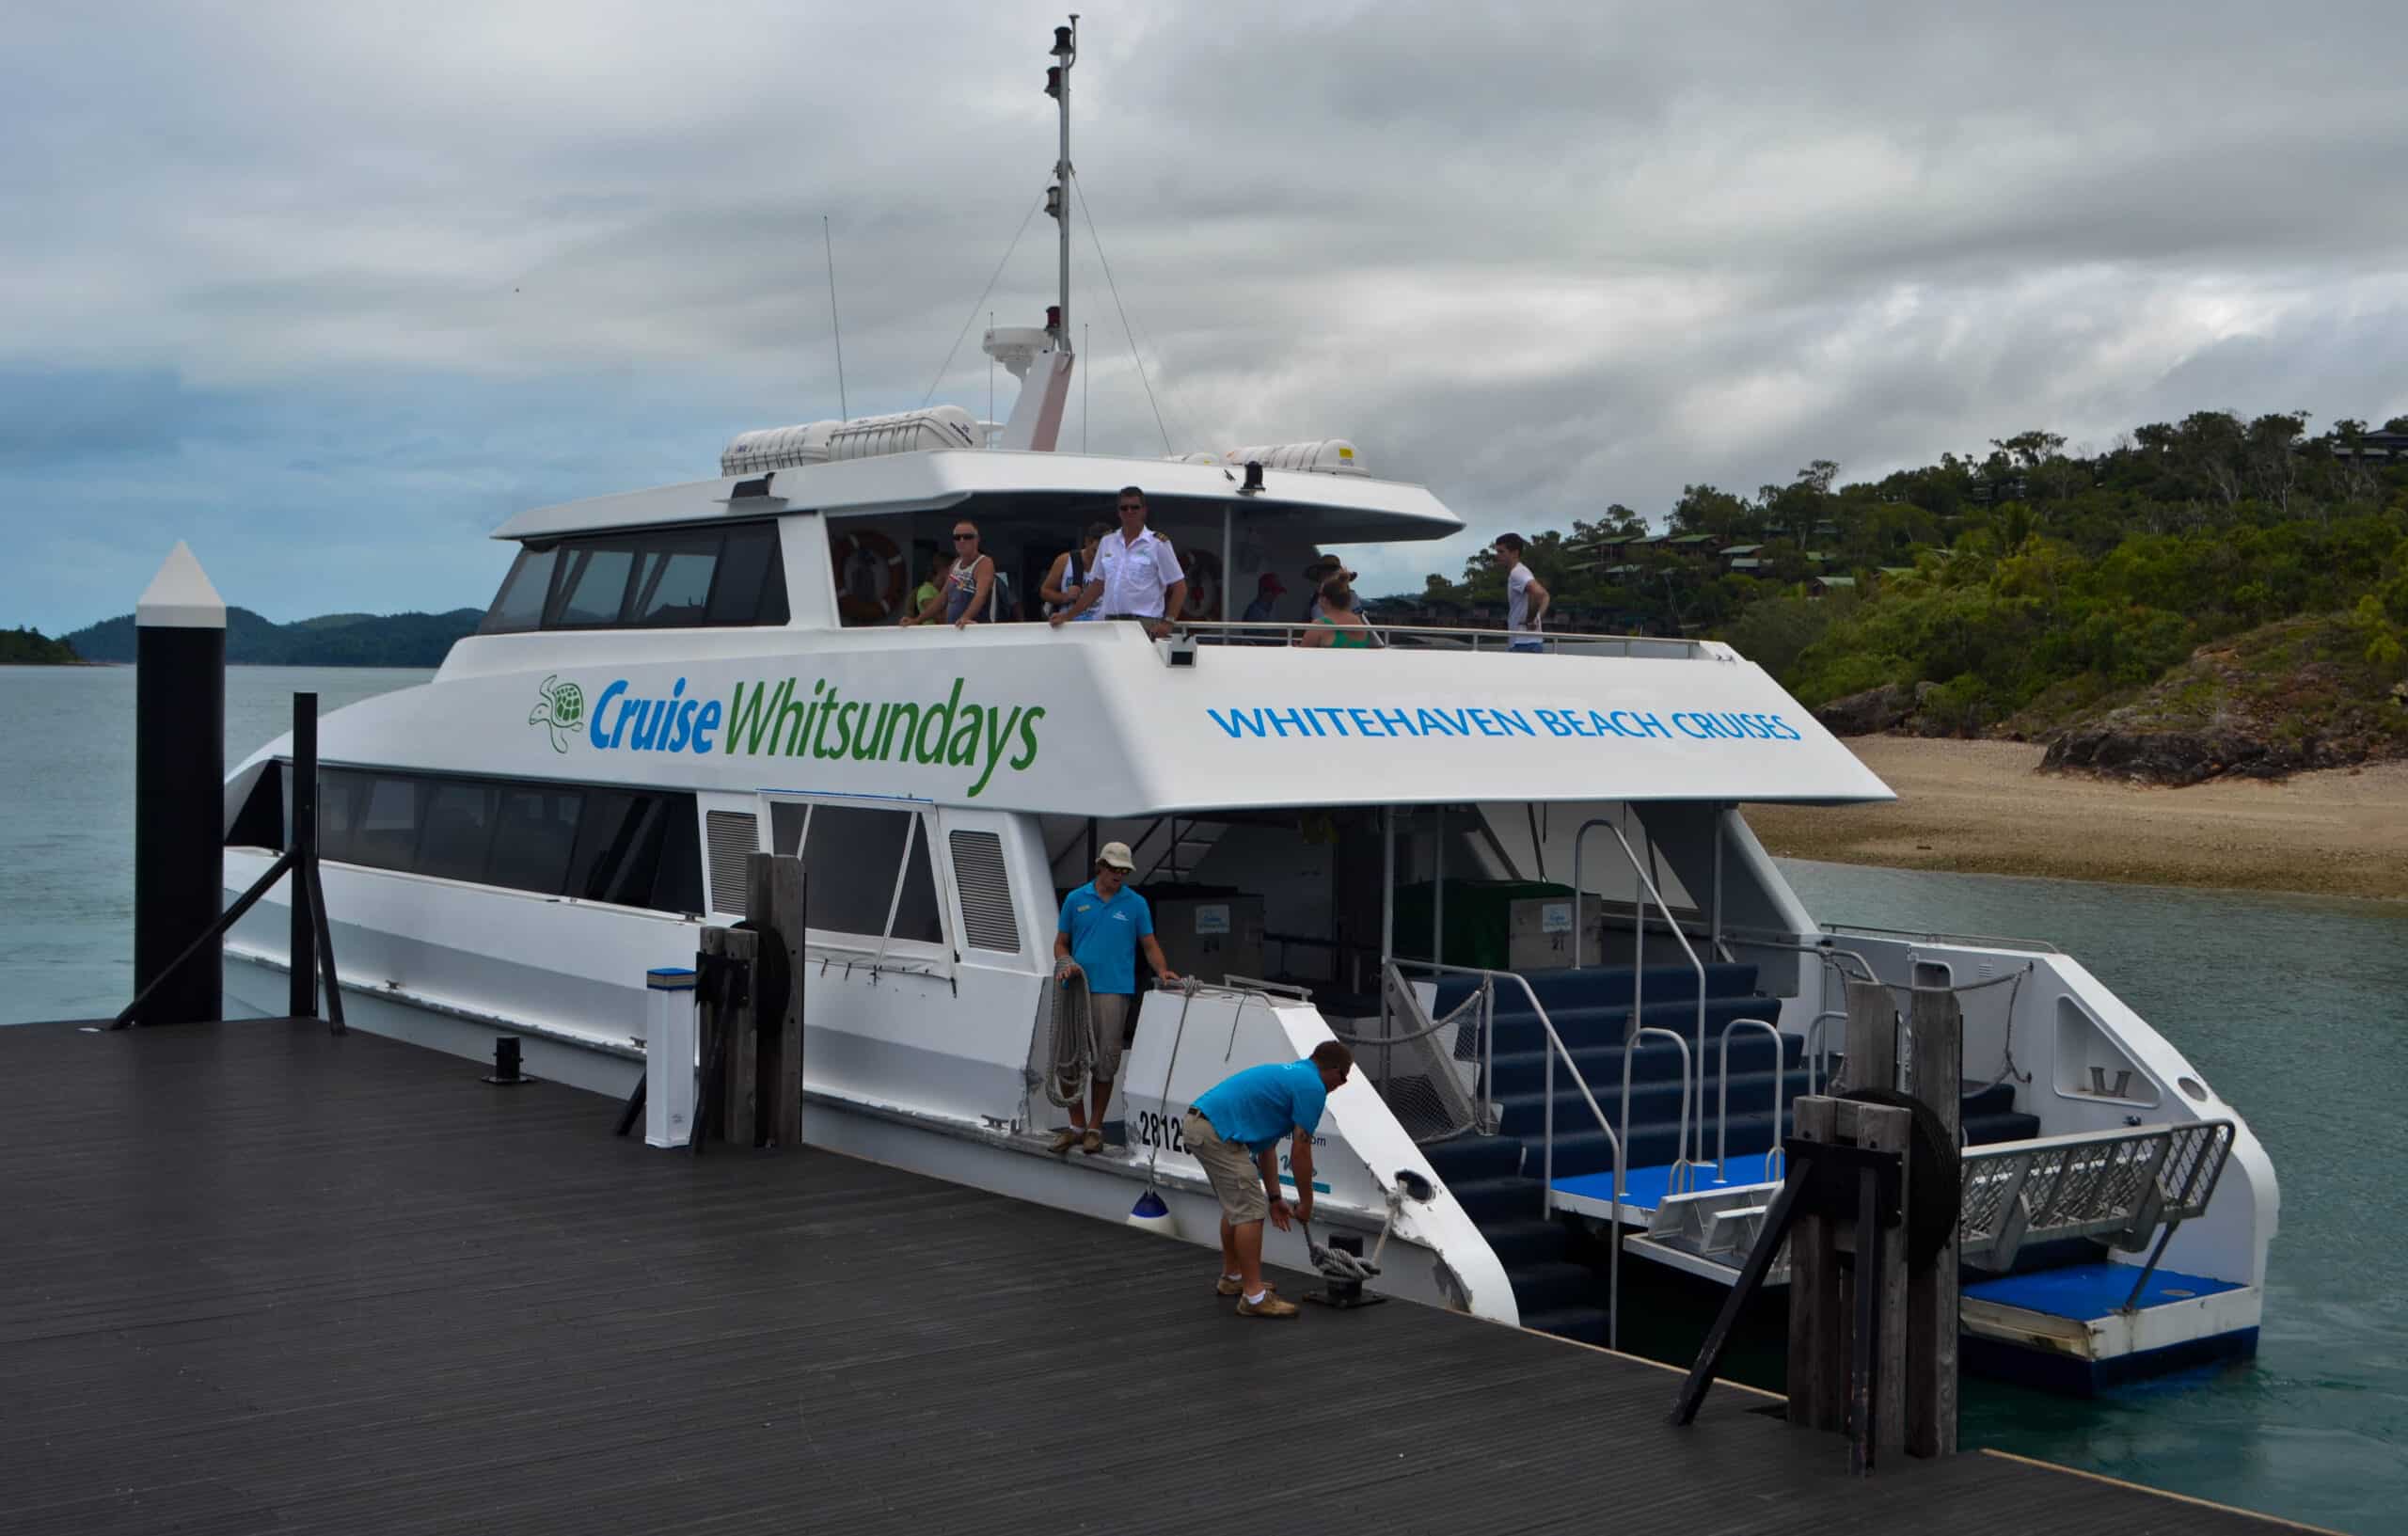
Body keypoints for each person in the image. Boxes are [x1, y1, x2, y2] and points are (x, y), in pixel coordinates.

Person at [1182, 1041, 1354, 1318]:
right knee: (1250, 1210)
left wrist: (1275, 1198)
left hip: (1202, 1125)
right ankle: (1254, 1297)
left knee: (1237, 1207)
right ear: (1333, 1069)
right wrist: (1307, 1203)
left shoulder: (1295, 1075)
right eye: (1344, 1077)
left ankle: (1233, 1279)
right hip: (1216, 1132)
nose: (1342, 1084)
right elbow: (1301, 1151)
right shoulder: (1312, 1086)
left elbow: (1267, 1148)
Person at [1051, 841, 1180, 1155]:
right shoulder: (1075, 899)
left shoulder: (1135, 904)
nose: (1119, 874)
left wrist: (1163, 970)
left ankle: (1095, 1127)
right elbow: (1061, 943)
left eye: (1124, 870)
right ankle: (1076, 1125)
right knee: (1067, 1061)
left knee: (1105, 1063)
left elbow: (1149, 944)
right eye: (1114, 868)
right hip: (1075, 991)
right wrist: (1065, 963)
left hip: (1114, 991)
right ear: (1101, 866)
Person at [1050, 487, 1186, 640]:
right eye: (1124, 508)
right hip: (1110, 624)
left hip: (1144, 626)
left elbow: (1180, 587)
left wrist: (1168, 623)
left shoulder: (1158, 544)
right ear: (1119, 512)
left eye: (1135, 507)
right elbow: (1096, 587)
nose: (1129, 511)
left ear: (1144, 511)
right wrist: (1068, 616)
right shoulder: (1107, 542)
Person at [903, 520, 994, 629]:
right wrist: (916, 621)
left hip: (973, 632)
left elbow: (981, 595)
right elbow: (943, 597)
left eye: (967, 537)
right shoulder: (955, 563)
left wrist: (965, 618)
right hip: (954, 631)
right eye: (957, 537)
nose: (962, 540)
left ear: (977, 539)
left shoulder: (984, 563)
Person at [1041, 521, 1111, 622]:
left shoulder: (1112, 563)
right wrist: (1064, 597)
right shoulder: (1064, 560)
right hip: (1069, 625)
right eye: (1095, 551)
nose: (1098, 557)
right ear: (1087, 542)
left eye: (1103, 552)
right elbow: (1045, 591)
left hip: (1101, 626)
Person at [1493, 531, 1549, 653]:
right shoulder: (1522, 571)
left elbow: (1540, 594)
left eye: (1501, 552)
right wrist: (1536, 618)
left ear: (1515, 553)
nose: (1497, 556)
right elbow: (1542, 595)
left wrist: (1533, 619)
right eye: (1497, 551)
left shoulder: (1517, 573)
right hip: (1529, 642)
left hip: (1523, 644)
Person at [1295, 578, 1371, 648]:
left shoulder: (1319, 626)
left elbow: (1303, 654)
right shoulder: (1358, 622)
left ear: (1324, 599)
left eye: (1319, 595)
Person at [1297, 555, 1356, 623]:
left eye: (1331, 573)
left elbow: (1356, 624)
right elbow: (1305, 623)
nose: (1328, 576)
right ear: (1320, 576)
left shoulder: (1351, 595)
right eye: (1325, 572)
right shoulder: (1314, 597)